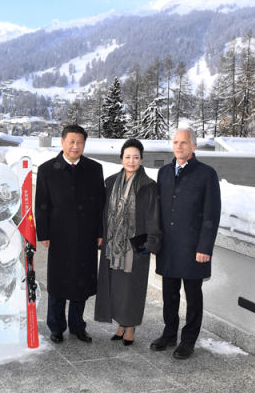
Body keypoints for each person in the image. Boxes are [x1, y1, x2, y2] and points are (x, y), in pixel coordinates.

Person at [150, 128, 221, 360]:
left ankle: (188, 341)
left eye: (184, 142)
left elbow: (212, 213)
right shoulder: (164, 172)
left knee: (193, 297)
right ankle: (169, 334)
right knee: (169, 294)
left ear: (194, 146)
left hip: (193, 248)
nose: (179, 146)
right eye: (175, 142)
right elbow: (159, 210)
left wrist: (204, 247)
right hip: (168, 247)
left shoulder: (206, 174)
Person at [35, 124, 105, 343]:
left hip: (86, 235)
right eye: (72, 141)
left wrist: (100, 232)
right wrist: (44, 233)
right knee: (58, 283)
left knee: (81, 283)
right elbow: (42, 204)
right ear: (62, 142)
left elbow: (101, 204)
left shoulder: (94, 168)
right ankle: (56, 327)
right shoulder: (47, 169)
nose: (76, 146)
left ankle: (77, 326)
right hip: (59, 236)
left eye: (80, 142)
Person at [94, 139, 162, 345]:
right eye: (127, 157)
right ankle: (120, 325)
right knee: (116, 287)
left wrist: (151, 242)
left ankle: (130, 327)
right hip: (113, 244)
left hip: (135, 245)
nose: (131, 161)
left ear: (141, 159)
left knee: (132, 289)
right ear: (121, 158)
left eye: (136, 157)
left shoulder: (149, 186)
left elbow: (153, 215)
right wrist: (100, 236)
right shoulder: (110, 182)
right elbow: (103, 212)